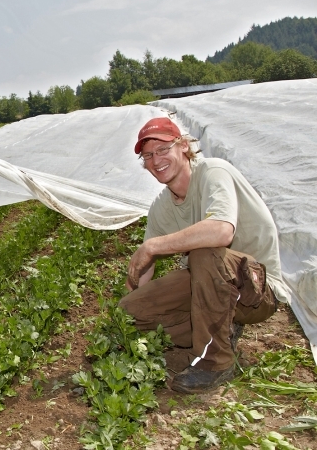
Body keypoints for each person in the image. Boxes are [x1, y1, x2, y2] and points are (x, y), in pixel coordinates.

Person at [118, 117, 279, 394]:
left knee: (204, 254)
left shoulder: (212, 172)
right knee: (132, 312)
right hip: (210, 285)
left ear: (182, 146)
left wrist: (153, 246)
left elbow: (221, 232)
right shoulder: (162, 208)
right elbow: (145, 268)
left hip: (257, 291)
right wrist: (126, 307)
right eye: (148, 155)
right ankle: (220, 330)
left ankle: (215, 363)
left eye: (163, 150)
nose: (156, 161)